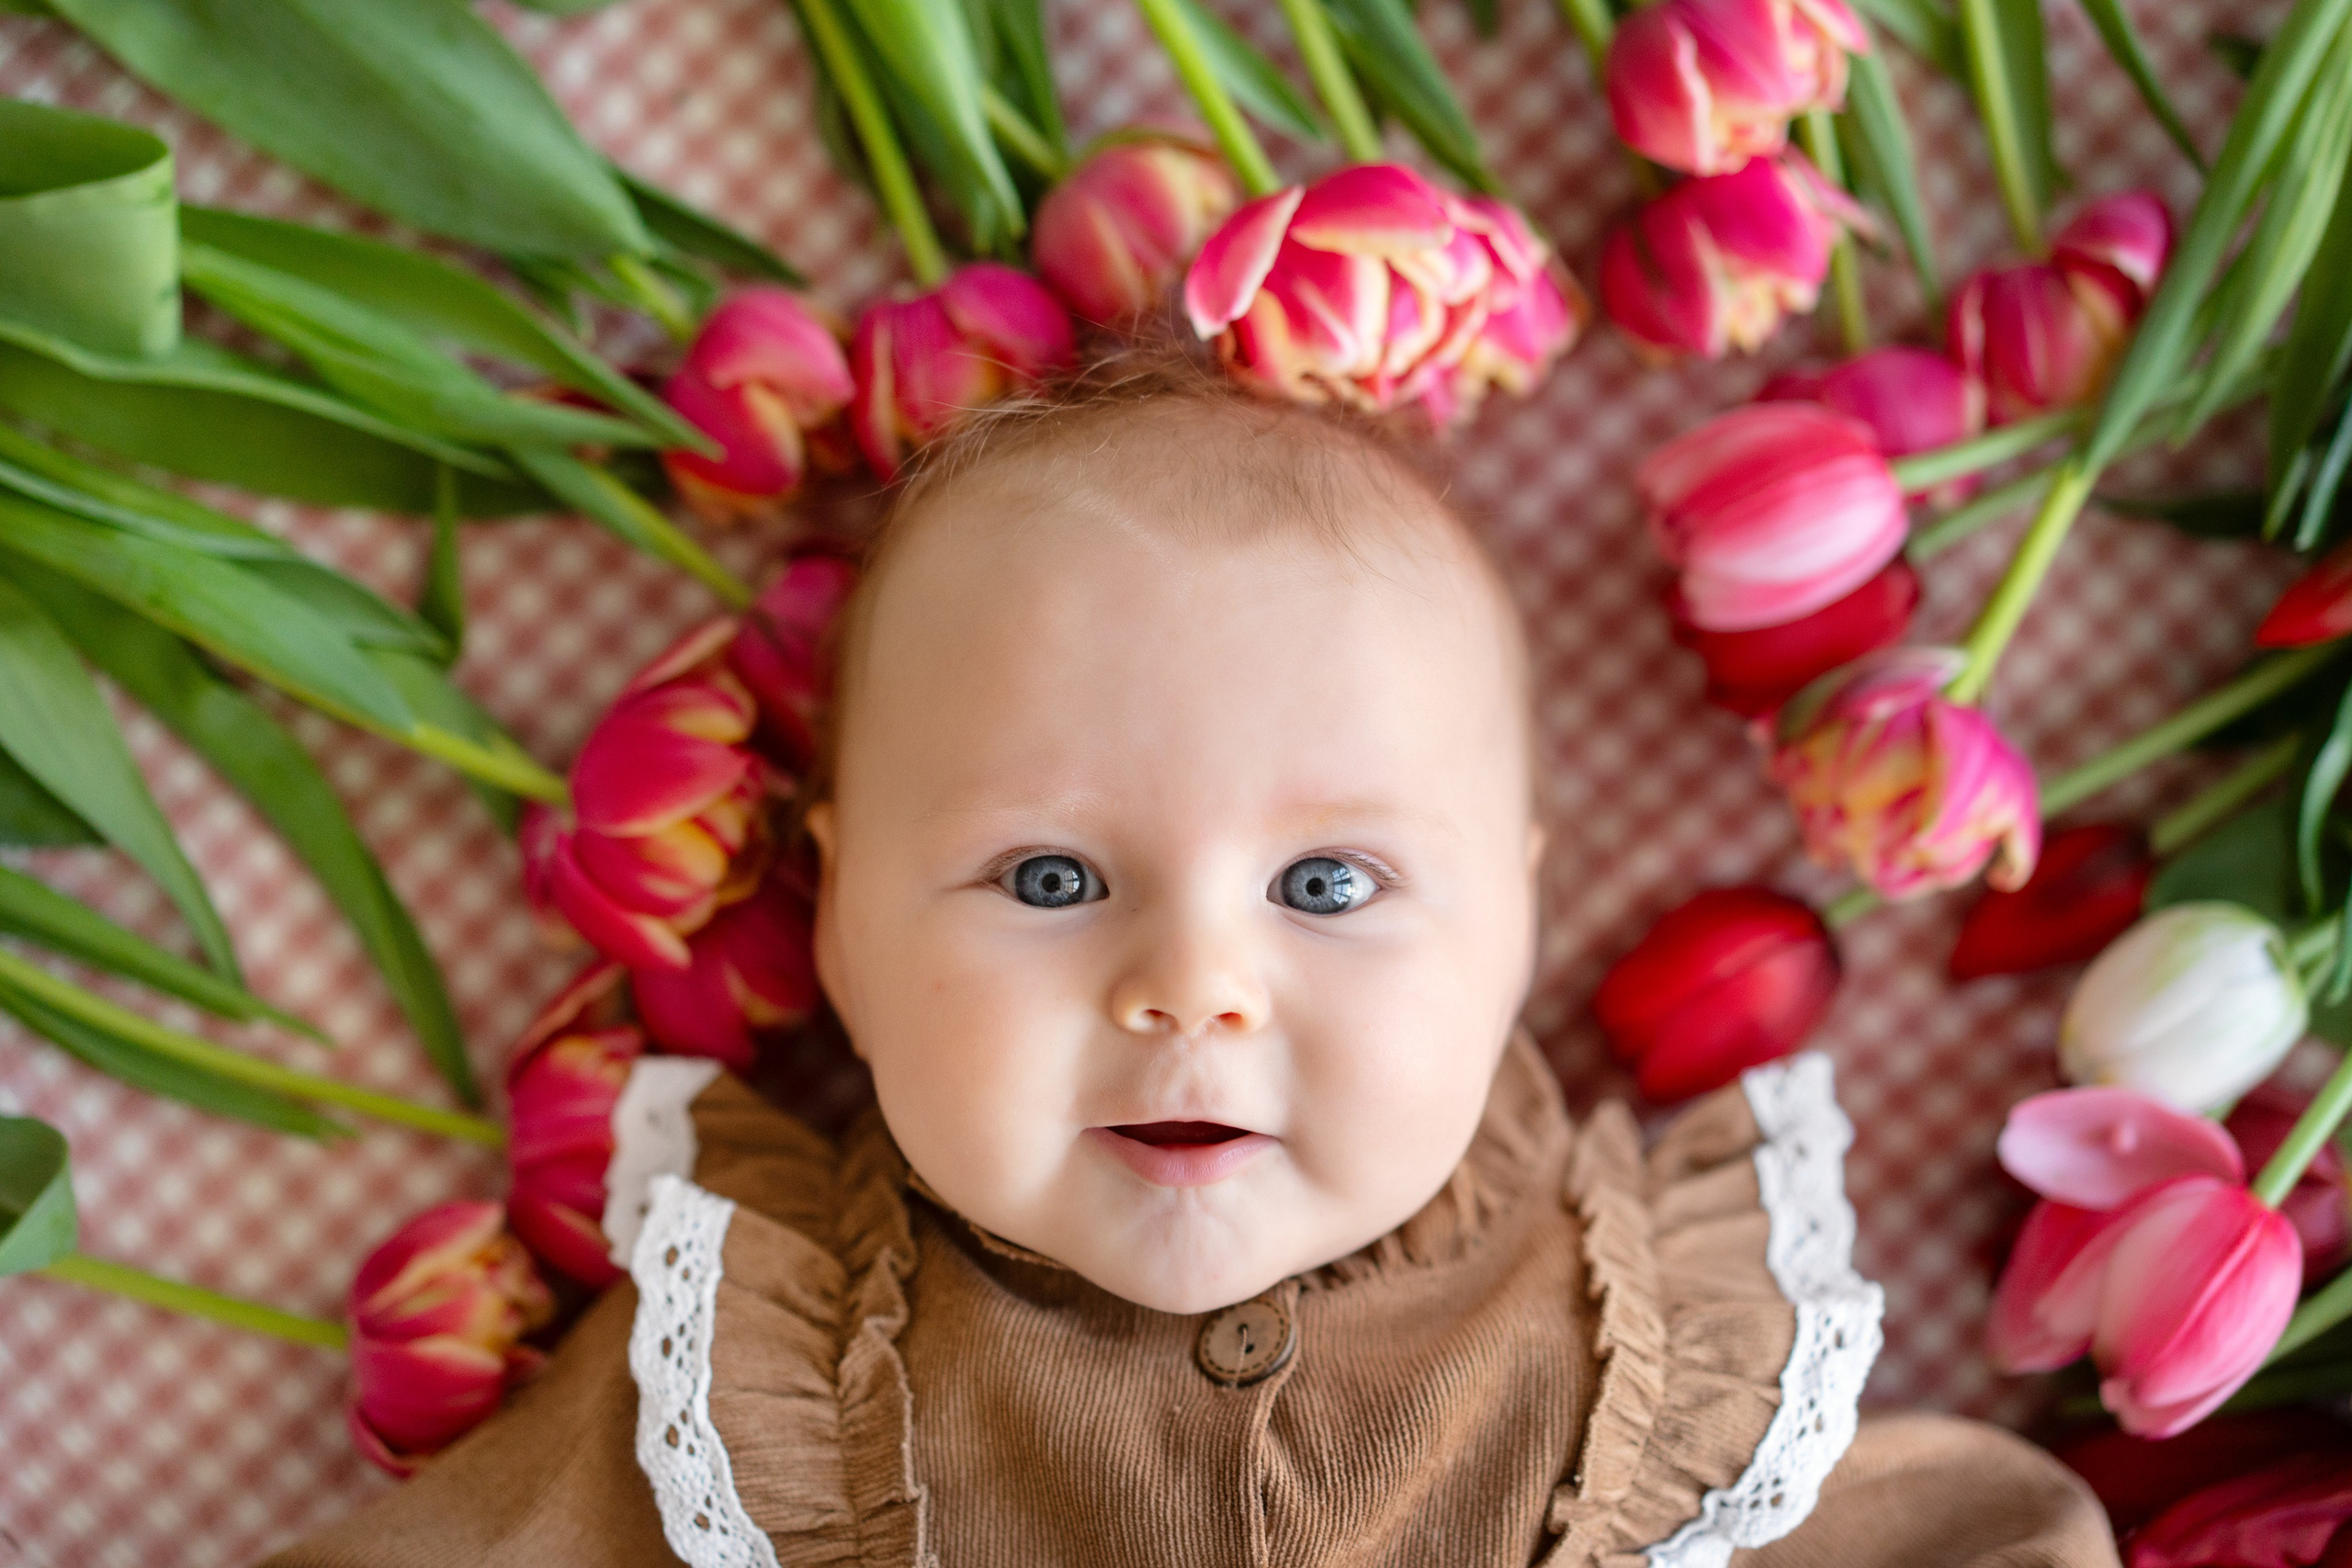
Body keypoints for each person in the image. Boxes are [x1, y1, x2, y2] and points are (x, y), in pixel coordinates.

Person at [266, 360, 2118, 1568]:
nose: (1191, 983)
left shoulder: (1660, 1365)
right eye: (1051, 872)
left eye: (1324, 880)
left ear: (1512, 933)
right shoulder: (757, 1391)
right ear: (834, 924)